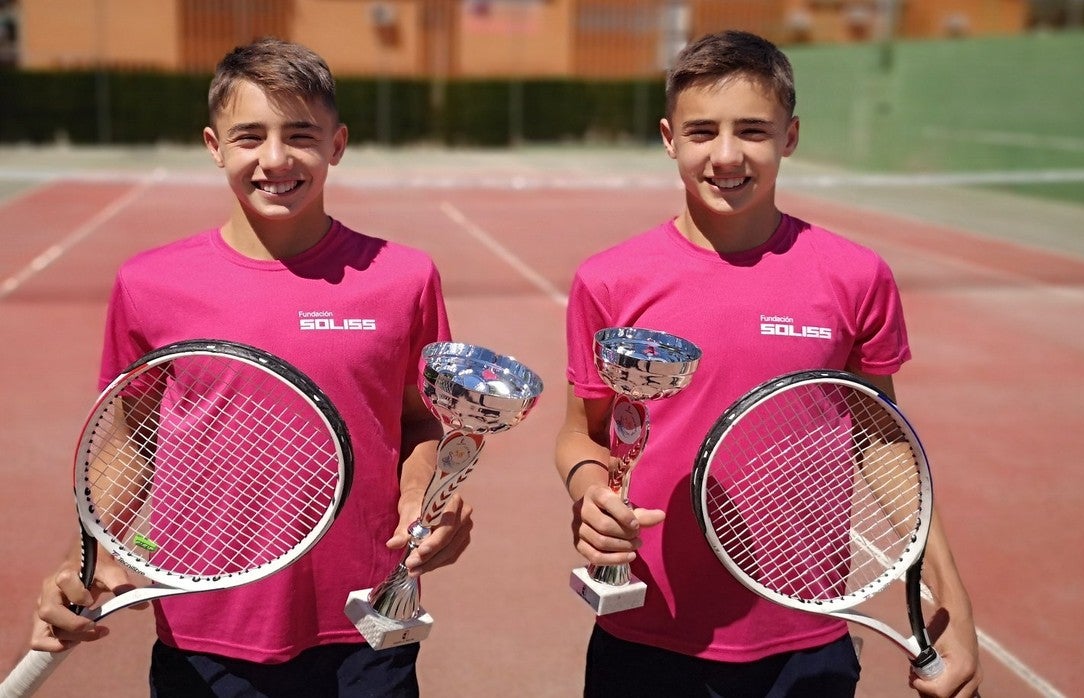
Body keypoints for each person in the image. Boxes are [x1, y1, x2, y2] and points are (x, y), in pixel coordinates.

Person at [29, 38, 472, 696]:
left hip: (367, 620)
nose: (274, 159)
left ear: (337, 144)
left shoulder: (404, 278)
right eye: (249, 137)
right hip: (206, 626)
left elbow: (422, 420)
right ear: (214, 146)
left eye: (300, 135)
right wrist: (89, 554)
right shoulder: (150, 283)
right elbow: (126, 437)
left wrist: (421, 497)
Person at [556, 30, 982, 697]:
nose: (726, 155)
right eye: (702, 132)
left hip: (805, 637)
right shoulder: (608, 281)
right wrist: (590, 494)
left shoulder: (855, 276)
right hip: (647, 632)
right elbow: (580, 430)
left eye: (752, 130)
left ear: (790, 136)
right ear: (669, 138)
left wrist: (950, 601)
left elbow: (884, 441)